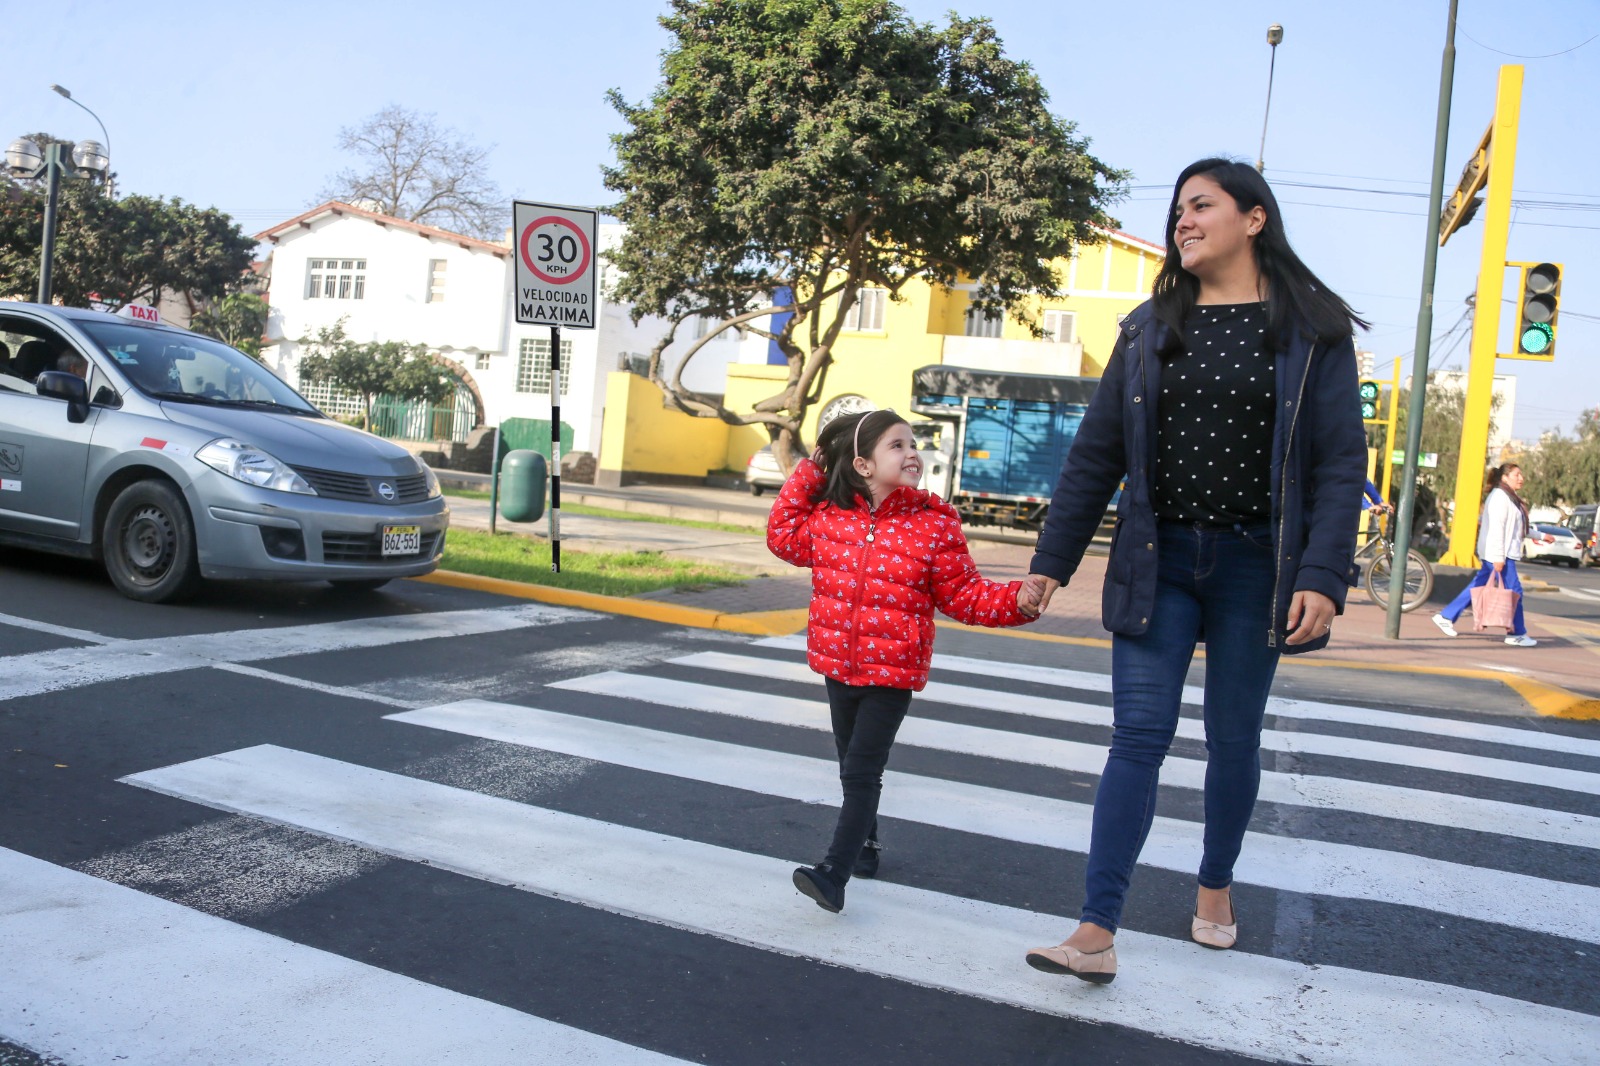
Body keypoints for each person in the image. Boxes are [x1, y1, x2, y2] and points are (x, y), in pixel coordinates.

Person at [1016, 157, 1368, 983]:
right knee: (1137, 737)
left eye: (1200, 206)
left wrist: (1324, 573)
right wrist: (1048, 566)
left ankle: (1215, 881)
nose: (1183, 220)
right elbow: (1096, 454)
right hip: (1157, 559)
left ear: (1253, 219)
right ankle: (1097, 928)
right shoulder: (1147, 328)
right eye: (1177, 209)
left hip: (1259, 566)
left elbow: (1340, 463)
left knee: (1233, 737)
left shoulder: (1312, 331)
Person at [767, 408, 1039, 913]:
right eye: (898, 445)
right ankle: (866, 847)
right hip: (838, 664)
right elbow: (781, 535)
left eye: (913, 444)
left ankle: (834, 873)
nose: (913, 453)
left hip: (891, 672)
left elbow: (965, 595)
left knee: (862, 772)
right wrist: (814, 466)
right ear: (863, 464)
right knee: (850, 762)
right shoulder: (829, 520)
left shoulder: (934, 525)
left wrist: (1017, 600)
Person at [1431, 463, 1540, 647]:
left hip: (1501, 553)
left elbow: (1517, 529)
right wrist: (1498, 558)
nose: (1521, 478)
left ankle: (1446, 616)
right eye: (1517, 475)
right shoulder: (1500, 498)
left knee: (1478, 586)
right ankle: (1516, 633)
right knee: (1515, 591)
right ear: (1505, 477)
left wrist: (1542, 536)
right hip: (1499, 554)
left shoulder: (1509, 498)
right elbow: (1497, 530)